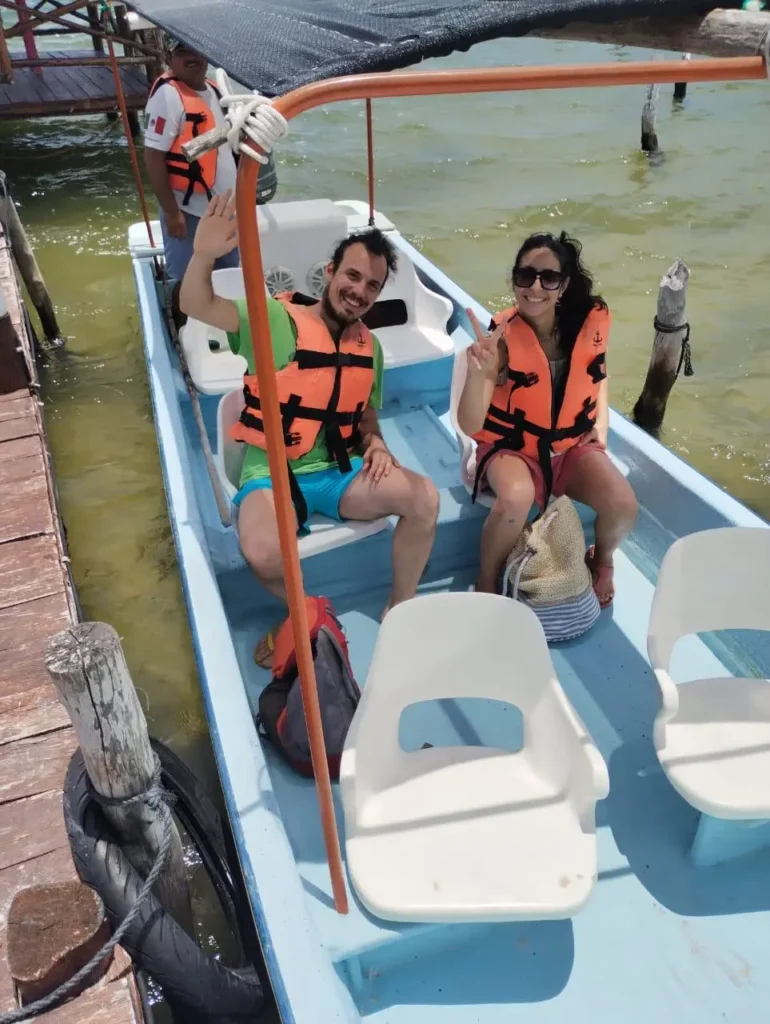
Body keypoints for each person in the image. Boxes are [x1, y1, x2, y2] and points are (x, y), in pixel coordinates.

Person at [180, 192, 440, 659]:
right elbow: (196, 302)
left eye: (372, 285)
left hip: (340, 473)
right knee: (261, 552)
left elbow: (364, 413)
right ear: (330, 272)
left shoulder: (370, 349)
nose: (359, 290)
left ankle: (400, 605)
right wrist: (203, 253)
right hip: (272, 470)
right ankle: (303, 611)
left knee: (425, 499)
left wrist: (376, 443)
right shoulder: (274, 319)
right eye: (352, 275)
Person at [457, 230, 637, 606]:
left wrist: (598, 434)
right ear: (514, 280)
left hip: (570, 445)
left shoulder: (587, 324)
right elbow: (471, 423)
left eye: (548, 277)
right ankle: (487, 579)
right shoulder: (502, 341)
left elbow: (598, 379)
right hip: (513, 448)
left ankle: (601, 560)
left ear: (564, 285)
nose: (535, 287)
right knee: (517, 497)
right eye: (525, 276)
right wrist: (479, 371)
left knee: (623, 504)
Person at [143, 37, 277, 323]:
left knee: (228, 275)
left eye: (197, 50)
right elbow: (153, 158)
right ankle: (186, 337)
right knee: (187, 281)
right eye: (182, 52)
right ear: (170, 57)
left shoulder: (216, 91)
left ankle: (224, 333)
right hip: (188, 212)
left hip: (224, 210)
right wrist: (171, 212)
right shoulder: (168, 96)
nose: (192, 58)